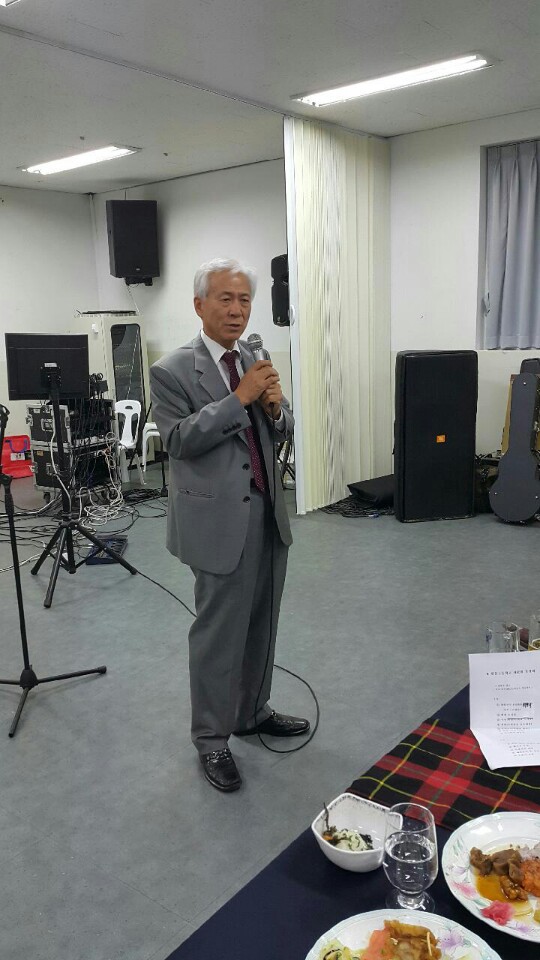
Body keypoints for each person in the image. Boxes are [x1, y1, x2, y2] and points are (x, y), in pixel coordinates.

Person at [149, 258, 309, 792]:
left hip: (266, 510)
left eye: (244, 300)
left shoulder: (253, 359)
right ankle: (211, 739)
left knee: (262, 621)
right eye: (225, 299)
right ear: (200, 304)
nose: (237, 310)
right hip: (216, 521)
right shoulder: (172, 370)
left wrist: (276, 408)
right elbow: (178, 440)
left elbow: (280, 428)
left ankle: (251, 711)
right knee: (219, 635)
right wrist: (238, 399)